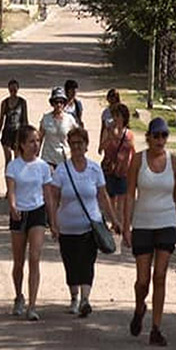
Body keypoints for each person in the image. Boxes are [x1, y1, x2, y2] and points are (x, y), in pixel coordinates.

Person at [122, 117, 176, 346]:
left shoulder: (174, 162)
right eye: (156, 135)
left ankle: (156, 328)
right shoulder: (138, 161)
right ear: (148, 137)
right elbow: (130, 194)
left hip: (167, 222)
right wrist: (126, 226)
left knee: (160, 276)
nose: (160, 140)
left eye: (164, 136)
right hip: (142, 223)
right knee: (143, 280)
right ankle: (140, 307)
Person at [49, 127, 120, 318]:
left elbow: (103, 196)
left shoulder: (94, 169)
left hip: (91, 226)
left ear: (86, 145)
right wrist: (53, 223)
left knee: (87, 262)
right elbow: (54, 198)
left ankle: (85, 299)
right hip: (67, 227)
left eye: (80, 143)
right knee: (71, 263)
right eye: (73, 143)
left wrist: (114, 219)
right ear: (69, 146)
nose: (77, 147)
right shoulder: (62, 171)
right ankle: (74, 298)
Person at [5, 125, 54, 321]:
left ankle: (33, 305)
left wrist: (54, 221)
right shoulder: (13, 166)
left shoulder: (43, 166)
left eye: (37, 141)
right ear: (22, 145)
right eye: (31, 141)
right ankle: (19, 296)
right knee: (19, 261)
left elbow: (48, 196)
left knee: (35, 257)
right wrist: (13, 206)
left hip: (37, 212)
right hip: (19, 214)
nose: (36, 145)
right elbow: (11, 190)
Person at [99, 103, 134, 227]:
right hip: (110, 168)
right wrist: (110, 138)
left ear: (124, 117)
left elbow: (132, 151)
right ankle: (114, 221)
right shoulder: (108, 130)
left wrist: (132, 167)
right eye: (114, 116)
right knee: (111, 197)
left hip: (123, 170)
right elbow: (101, 147)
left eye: (118, 116)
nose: (116, 118)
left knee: (122, 198)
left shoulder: (129, 134)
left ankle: (119, 222)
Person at [39, 86, 79, 170]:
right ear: (52, 103)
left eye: (61, 102)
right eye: (56, 102)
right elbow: (39, 139)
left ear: (64, 103)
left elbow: (77, 137)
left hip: (65, 159)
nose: (59, 105)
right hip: (48, 158)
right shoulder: (46, 119)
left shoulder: (70, 119)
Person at [0, 79, 28, 166]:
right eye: (11, 90)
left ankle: (17, 178)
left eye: (15, 90)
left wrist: (26, 137)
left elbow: (25, 120)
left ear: (18, 89)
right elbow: (1, 120)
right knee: (8, 160)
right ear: (8, 90)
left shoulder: (22, 102)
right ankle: (8, 178)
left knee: (18, 160)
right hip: (7, 133)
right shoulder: (4, 103)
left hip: (18, 132)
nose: (13, 92)